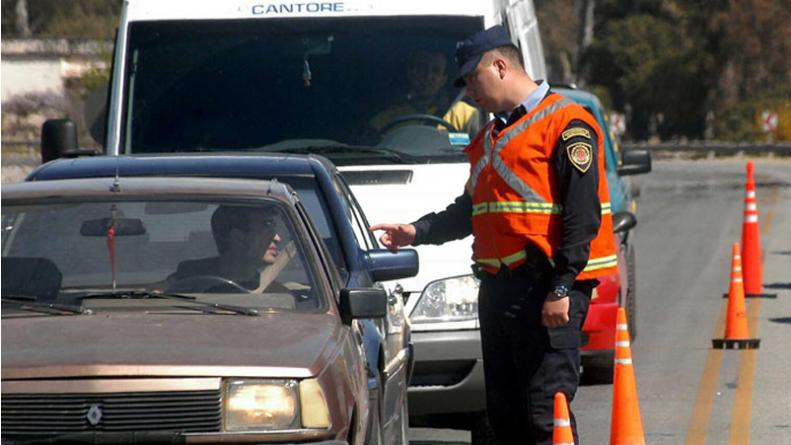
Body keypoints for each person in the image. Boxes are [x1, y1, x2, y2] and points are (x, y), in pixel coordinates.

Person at [370, 25, 618, 445]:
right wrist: (417, 231)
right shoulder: (491, 138)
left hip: (546, 289)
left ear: (501, 67)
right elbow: (471, 210)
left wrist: (562, 286)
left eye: (472, 79)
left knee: (545, 413)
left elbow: (582, 216)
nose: (468, 93)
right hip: (499, 290)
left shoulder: (567, 124)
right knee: (505, 415)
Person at [166, 204, 283, 292]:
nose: (277, 238)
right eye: (266, 227)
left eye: (273, 227)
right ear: (237, 238)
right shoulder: (178, 286)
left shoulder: (280, 296)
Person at [369, 49, 480, 135]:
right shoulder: (389, 116)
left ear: (443, 79)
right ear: (410, 72)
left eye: (435, 70)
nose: (428, 76)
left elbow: (484, 151)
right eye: (421, 68)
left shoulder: (464, 114)